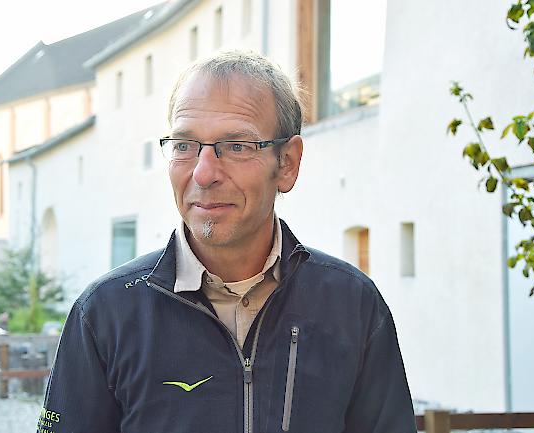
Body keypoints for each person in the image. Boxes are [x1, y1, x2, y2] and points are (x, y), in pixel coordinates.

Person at [39, 51, 416, 433]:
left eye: (236, 146)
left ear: (287, 163)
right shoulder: (105, 314)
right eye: (185, 145)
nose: (203, 173)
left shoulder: (352, 306)